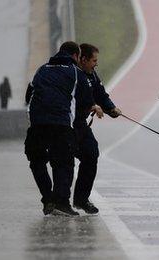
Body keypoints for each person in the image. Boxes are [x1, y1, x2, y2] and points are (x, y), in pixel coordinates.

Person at [25, 41, 99, 216]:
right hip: (60, 123)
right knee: (63, 162)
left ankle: (48, 198)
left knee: (37, 161)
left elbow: (29, 95)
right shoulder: (75, 72)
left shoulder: (42, 69)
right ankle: (62, 203)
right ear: (75, 56)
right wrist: (94, 107)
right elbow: (86, 101)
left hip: (37, 123)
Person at [72, 43, 122, 214]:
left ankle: (81, 199)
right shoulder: (72, 74)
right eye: (94, 60)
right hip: (66, 125)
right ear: (82, 59)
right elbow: (75, 99)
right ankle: (58, 201)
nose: (96, 64)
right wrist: (91, 105)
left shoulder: (92, 75)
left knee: (91, 154)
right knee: (63, 163)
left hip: (82, 126)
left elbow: (101, 95)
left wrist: (112, 109)